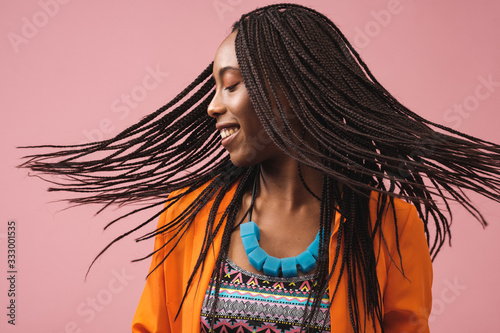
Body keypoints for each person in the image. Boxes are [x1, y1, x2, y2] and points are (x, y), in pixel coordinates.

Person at [17, 3, 500, 333]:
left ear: (291, 92)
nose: (210, 107)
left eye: (230, 86)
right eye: (214, 87)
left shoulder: (389, 227)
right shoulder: (186, 216)